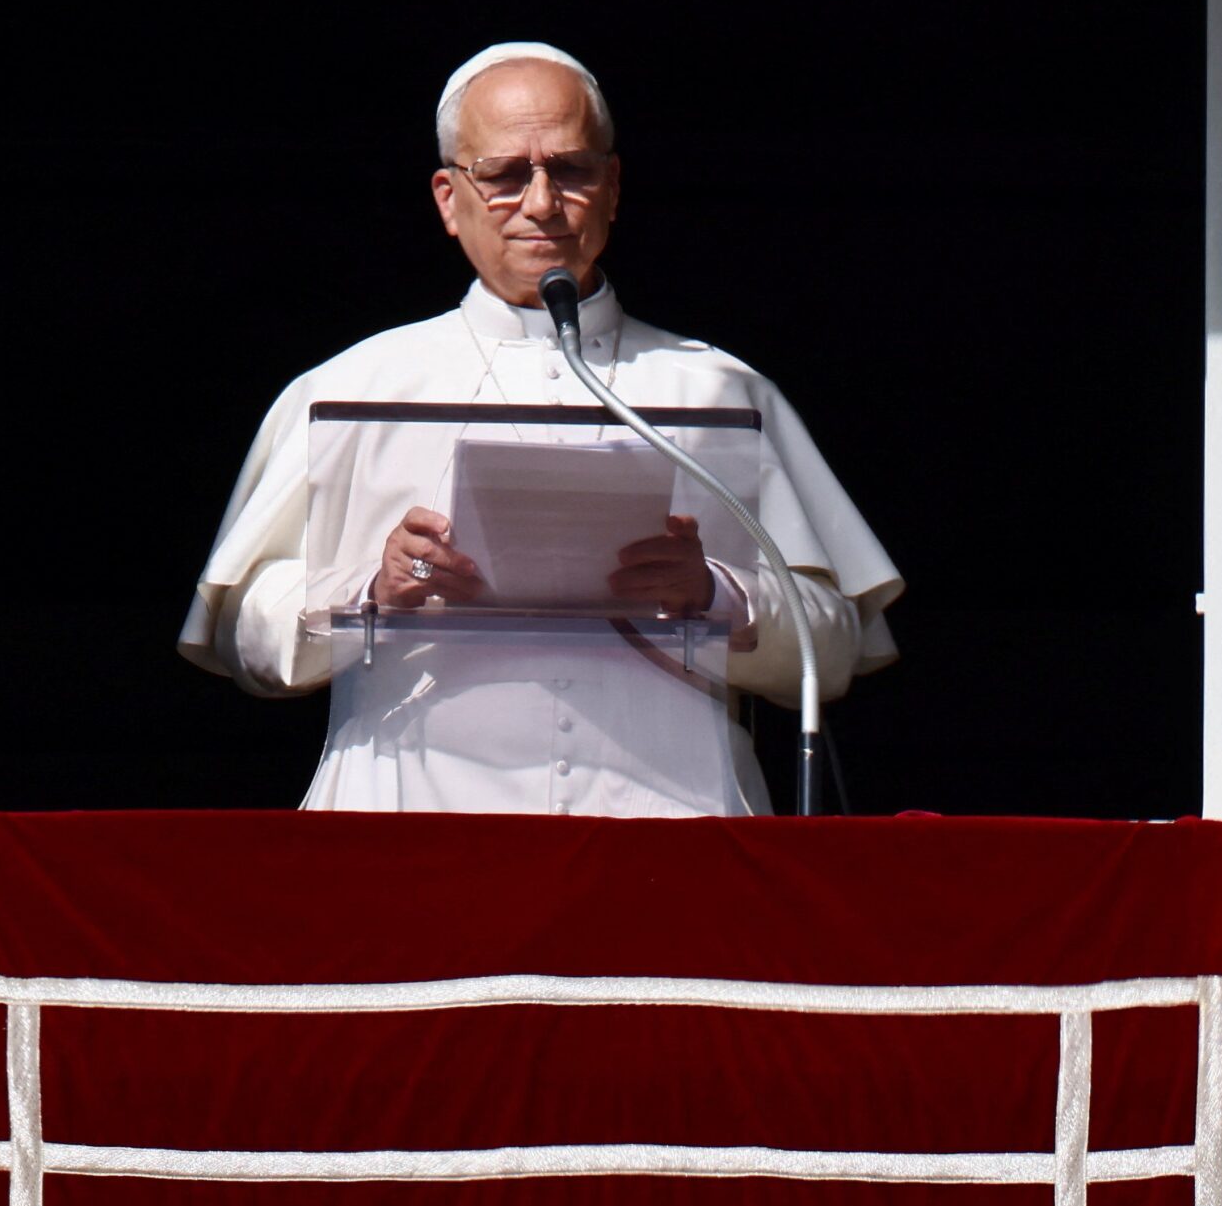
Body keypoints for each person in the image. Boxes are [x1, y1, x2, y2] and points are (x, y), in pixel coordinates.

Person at [180, 42, 901, 815]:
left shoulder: (720, 388)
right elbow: (243, 636)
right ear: (448, 199)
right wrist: (371, 591)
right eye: (503, 177)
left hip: (671, 835)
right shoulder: (352, 388)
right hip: (411, 826)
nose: (543, 202)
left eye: (573, 170)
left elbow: (835, 645)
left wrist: (717, 595)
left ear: (614, 187)